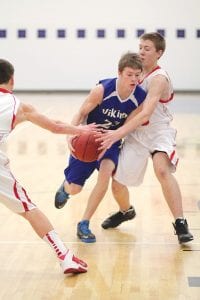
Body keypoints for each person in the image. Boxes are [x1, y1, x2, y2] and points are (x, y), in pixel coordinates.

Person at [0, 58, 97, 274]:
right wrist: (82, 130)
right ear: (12, 80)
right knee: (28, 208)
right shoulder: (19, 106)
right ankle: (64, 256)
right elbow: (55, 127)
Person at [98, 32, 193, 244]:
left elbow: (145, 114)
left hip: (158, 132)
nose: (141, 51)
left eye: (147, 48)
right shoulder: (135, 73)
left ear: (159, 53)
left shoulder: (159, 78)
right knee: (117, 183)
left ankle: (180, 222)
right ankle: (125, 211)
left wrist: (117, 134)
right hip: (137, 134)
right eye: (140, 47)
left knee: (162, 170)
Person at [54, 52, 147, 243]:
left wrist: (112, 140)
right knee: (75, 189)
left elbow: (127, 126)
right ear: (119, 73)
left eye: (138, 75)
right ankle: (65, 188)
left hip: (110, 141)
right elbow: (81, 113)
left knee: (105, 177)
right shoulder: (102, 89)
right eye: (130, 74)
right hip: (87, 137)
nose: (134, 79)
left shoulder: (139, 97)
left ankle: (84, 223)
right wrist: (71, 134)